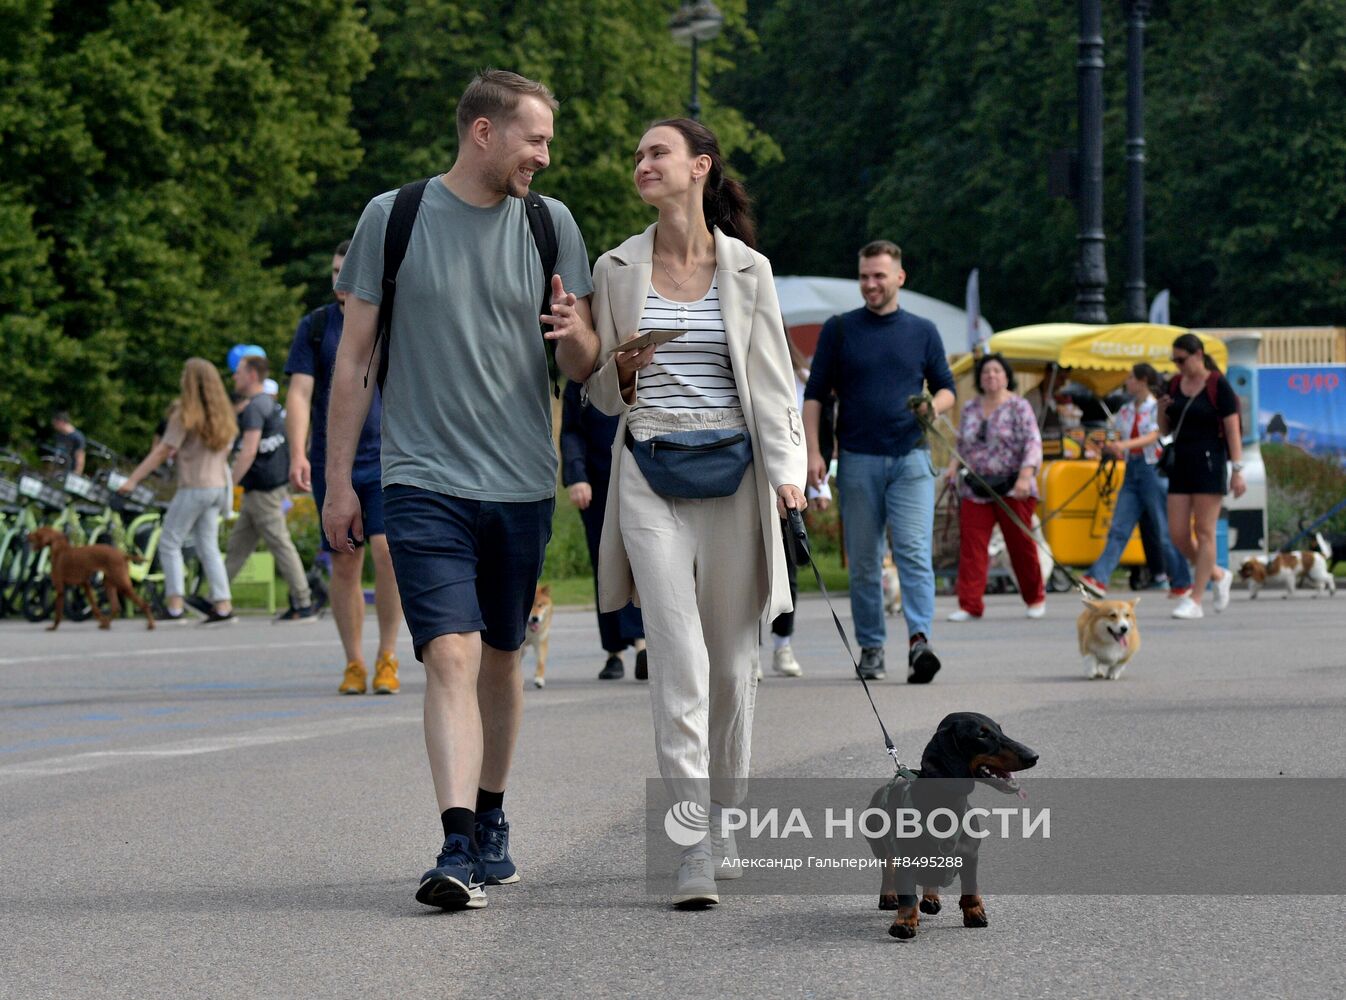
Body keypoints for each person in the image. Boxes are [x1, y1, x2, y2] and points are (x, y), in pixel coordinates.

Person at [323, 70, 597, 912]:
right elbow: (355, 359)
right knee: (449, 653)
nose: (544, 157)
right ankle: (453, 842)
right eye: (534, 139)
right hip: (421, 477)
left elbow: (582, 367)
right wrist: (338, 479)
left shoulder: (551, 227)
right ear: (484, 132)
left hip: (519, 480)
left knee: (504, 660)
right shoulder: (393, 217)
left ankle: (491, 812)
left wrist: (579, 335)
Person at [586, 117, 806, 908]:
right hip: (648, 474)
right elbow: (596, 394)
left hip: (738, 479)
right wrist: (619, 368)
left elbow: (777, 384)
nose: (640, 162)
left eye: (657, 153)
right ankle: (689, 850)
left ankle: (725, 819)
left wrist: (790, 475)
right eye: (638, 152)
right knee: (678, 665)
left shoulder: (749, 269)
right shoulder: (616, 268)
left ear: (698, 168)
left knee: (735, 668)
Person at [803, 241, 955, 683]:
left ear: (899, 278)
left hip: (911, 459)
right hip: (857, 459)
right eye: (865, 276)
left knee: (913, 553)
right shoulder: (840, 329)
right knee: (866, 562)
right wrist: (814, 452)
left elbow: (947, 387)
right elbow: (814, 396)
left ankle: (919, 642)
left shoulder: (923, 330)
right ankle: (871, 646)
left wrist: (933, 406)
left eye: (879, 276)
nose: (870, 284)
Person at [285, 240, 404, 695]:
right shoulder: (316, 327)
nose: (339, 280)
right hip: (333, 461)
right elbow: (298, 394)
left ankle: (387, 655)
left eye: (346, 271)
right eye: (334, 272)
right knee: (344, 559)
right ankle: (354, 661)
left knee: (388, 553)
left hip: (386, 456)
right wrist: (297, 452)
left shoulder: (387, 321)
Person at [118, 359, 237, 625]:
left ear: (190, 381)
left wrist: (133, 480)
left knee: (169, 541)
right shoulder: (223, 413)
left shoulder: (185, 413)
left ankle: (174, 605)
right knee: (208, 546)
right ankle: (223, 603)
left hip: (194, 486)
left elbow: (162, 450)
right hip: (218, 486)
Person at [944, 353, 1045, 621]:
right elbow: (962, 444)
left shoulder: (1019, 406)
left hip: (1013, 485)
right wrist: (953, 467)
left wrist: (1026, 475)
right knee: (972, 547)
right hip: (977, 487)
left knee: (1021, 545)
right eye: (986, 372)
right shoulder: (970, 409)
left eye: (997, 371)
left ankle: (1035, 597)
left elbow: (1033, 442)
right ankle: (969, 604)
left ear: (1006, 376)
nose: (991, 376)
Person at [559, 378, 646, 681]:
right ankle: (614, 652)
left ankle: (643, 644)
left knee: (642, 562)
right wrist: (577, 476)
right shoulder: (580, 380)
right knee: (605, 564)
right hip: (596, 486)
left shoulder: (638, 370)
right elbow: (571, 432)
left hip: (641, 479)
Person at [1081, 363, 1193, 599]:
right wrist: (1106, 446)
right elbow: (1116, 432)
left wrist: (1122, 445)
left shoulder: (1155, 408)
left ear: (1143, 380)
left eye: (1131, 378)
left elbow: (1155, 435)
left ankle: (1182, 579)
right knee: (1119, 527)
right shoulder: (1126, 410)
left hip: (1152, 469)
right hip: (1132, 469)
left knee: (1163, 530)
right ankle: (1098, 577)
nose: (1127, 382)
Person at [225, 354, 320, 622]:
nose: (235, 377)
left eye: (239, 372)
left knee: (279, 543)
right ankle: (216, 599)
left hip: (264, 488)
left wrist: (228, 484)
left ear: (253, 375)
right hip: (268, 486)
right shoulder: (270, 404)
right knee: (238, 545)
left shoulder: (255, 407)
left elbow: (248, 451)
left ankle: (303, 601)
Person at [1159, 333, 1245, 620]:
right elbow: (1165, 430)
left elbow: (1233, 430)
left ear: (1198, 355)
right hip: (1181, 461)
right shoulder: (1174, 383)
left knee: (1204, 531)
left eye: (1181, 359)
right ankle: (1218, 574)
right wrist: (1161, 411)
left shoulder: (1218, 385)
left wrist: (1238, 470)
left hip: (1210, 460)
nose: (1178, 365)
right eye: (1174, 360)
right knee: (1178, 534)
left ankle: (1196, 599)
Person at [764, 338, 833, 680]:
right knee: (747, 568)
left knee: (788, 567)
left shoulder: (803, 381)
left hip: (790, 484)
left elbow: (811, 438)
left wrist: (822, 486)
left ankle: (783, 643)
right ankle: (747, 648)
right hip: (747, 482)